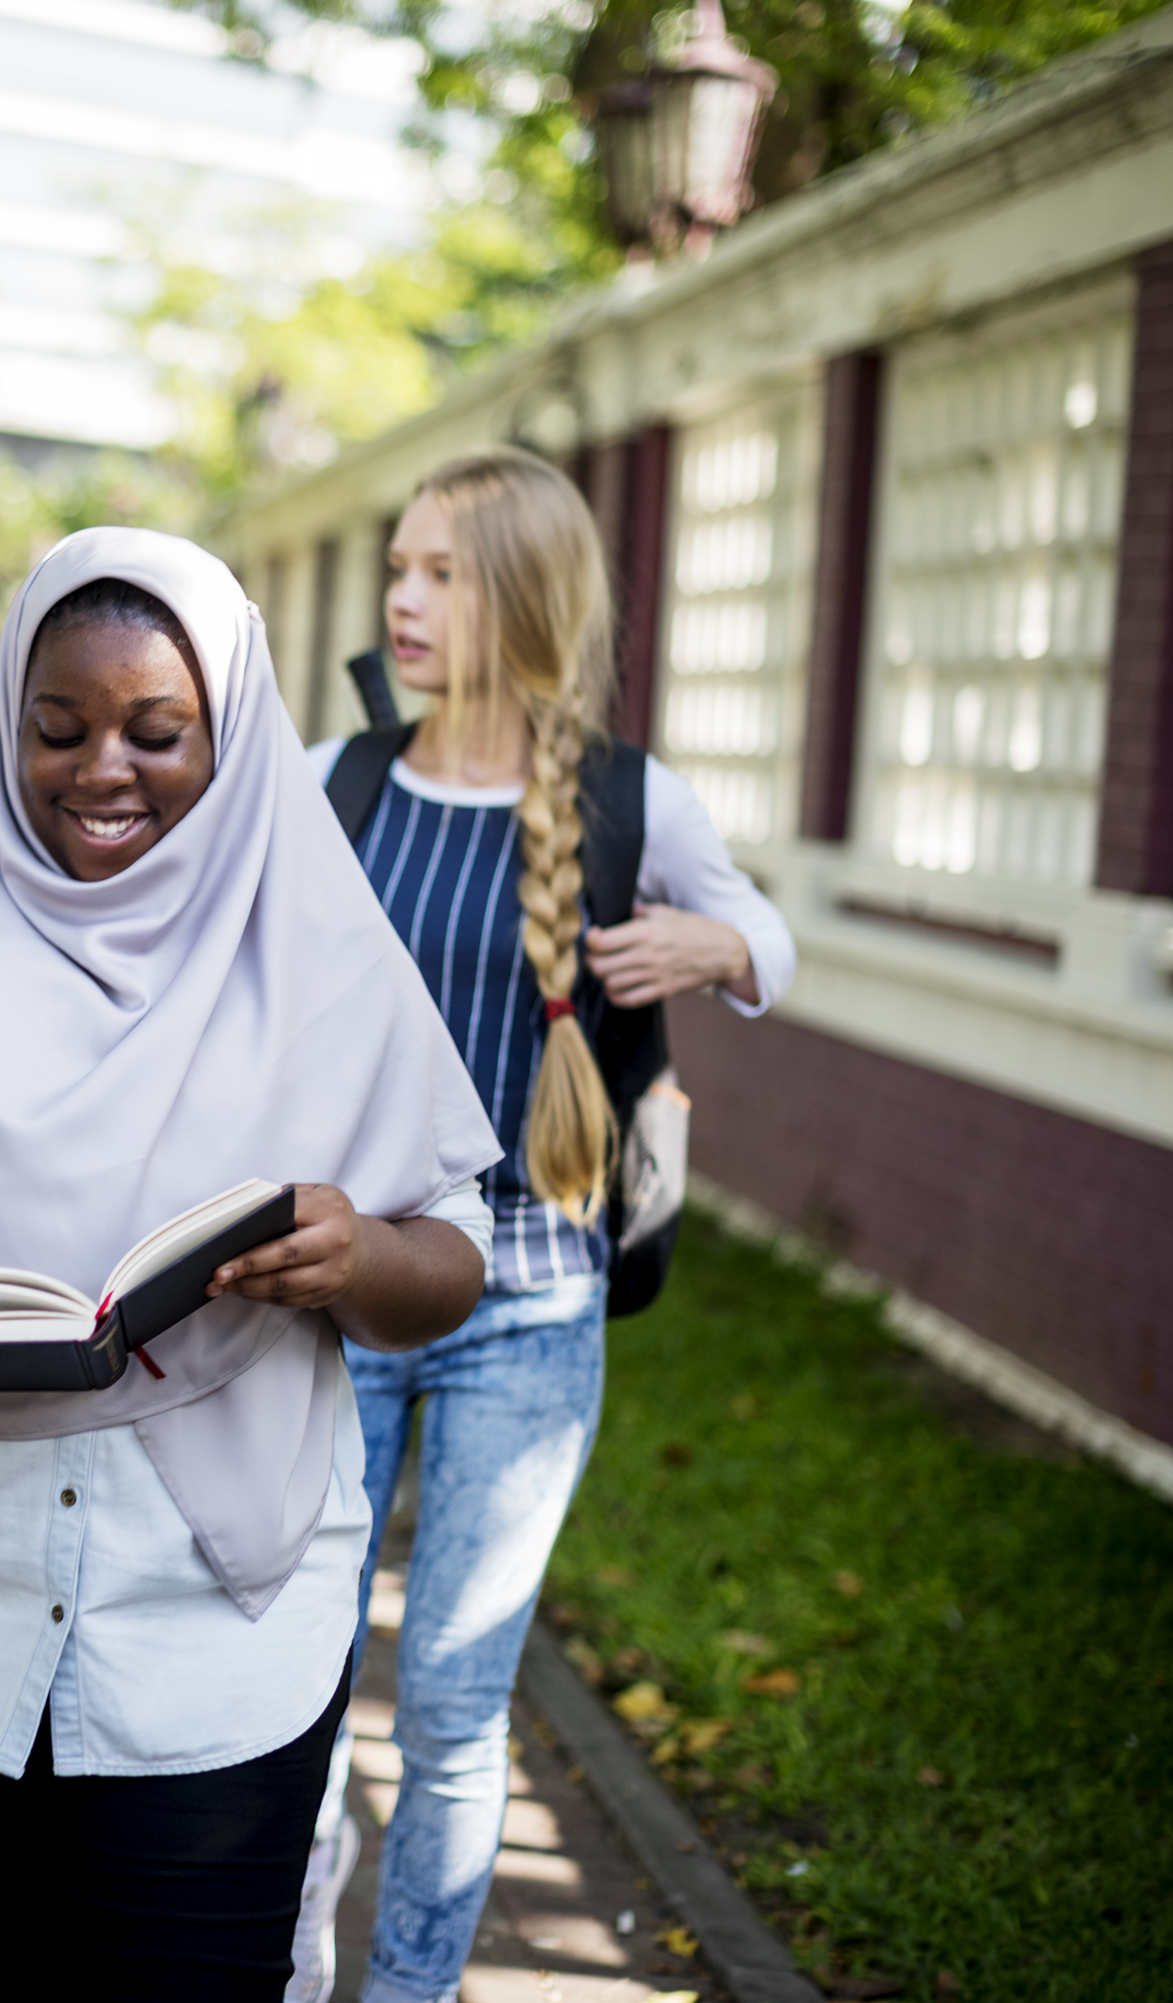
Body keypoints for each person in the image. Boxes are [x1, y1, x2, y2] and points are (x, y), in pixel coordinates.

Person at [0, 527, 504, 2001]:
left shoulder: (322, 951)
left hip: (218, 1632)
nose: (100, 771)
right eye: (54, 729)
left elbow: (449, 1264)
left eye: (157, 732)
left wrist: (354, 1253)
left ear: (231, 734)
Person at [283, 448, 795, 2003]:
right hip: (351, 1292)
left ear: (526, 595)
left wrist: (719, 943)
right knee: (291, 1675)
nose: (406, 601)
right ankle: (283, 1955)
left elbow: (772, 940)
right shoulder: (341, 780)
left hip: (535, 1304)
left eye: (444, 572)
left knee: (450, 1696)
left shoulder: (637, 803)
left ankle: (414, 1990)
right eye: (400, 570)